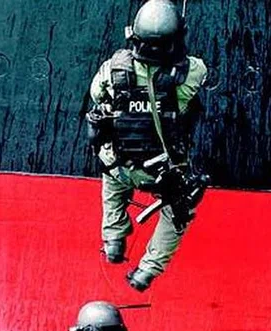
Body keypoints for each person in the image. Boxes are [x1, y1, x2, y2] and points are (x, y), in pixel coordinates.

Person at [87, 0, 208, 290]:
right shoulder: (192, 72)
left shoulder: (112, 69)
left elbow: (96, 95)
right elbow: (199, 74)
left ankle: (113, 240)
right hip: (160, 173)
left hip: (121, 165)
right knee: (180, 208)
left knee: (111, 178)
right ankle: (146, 271)